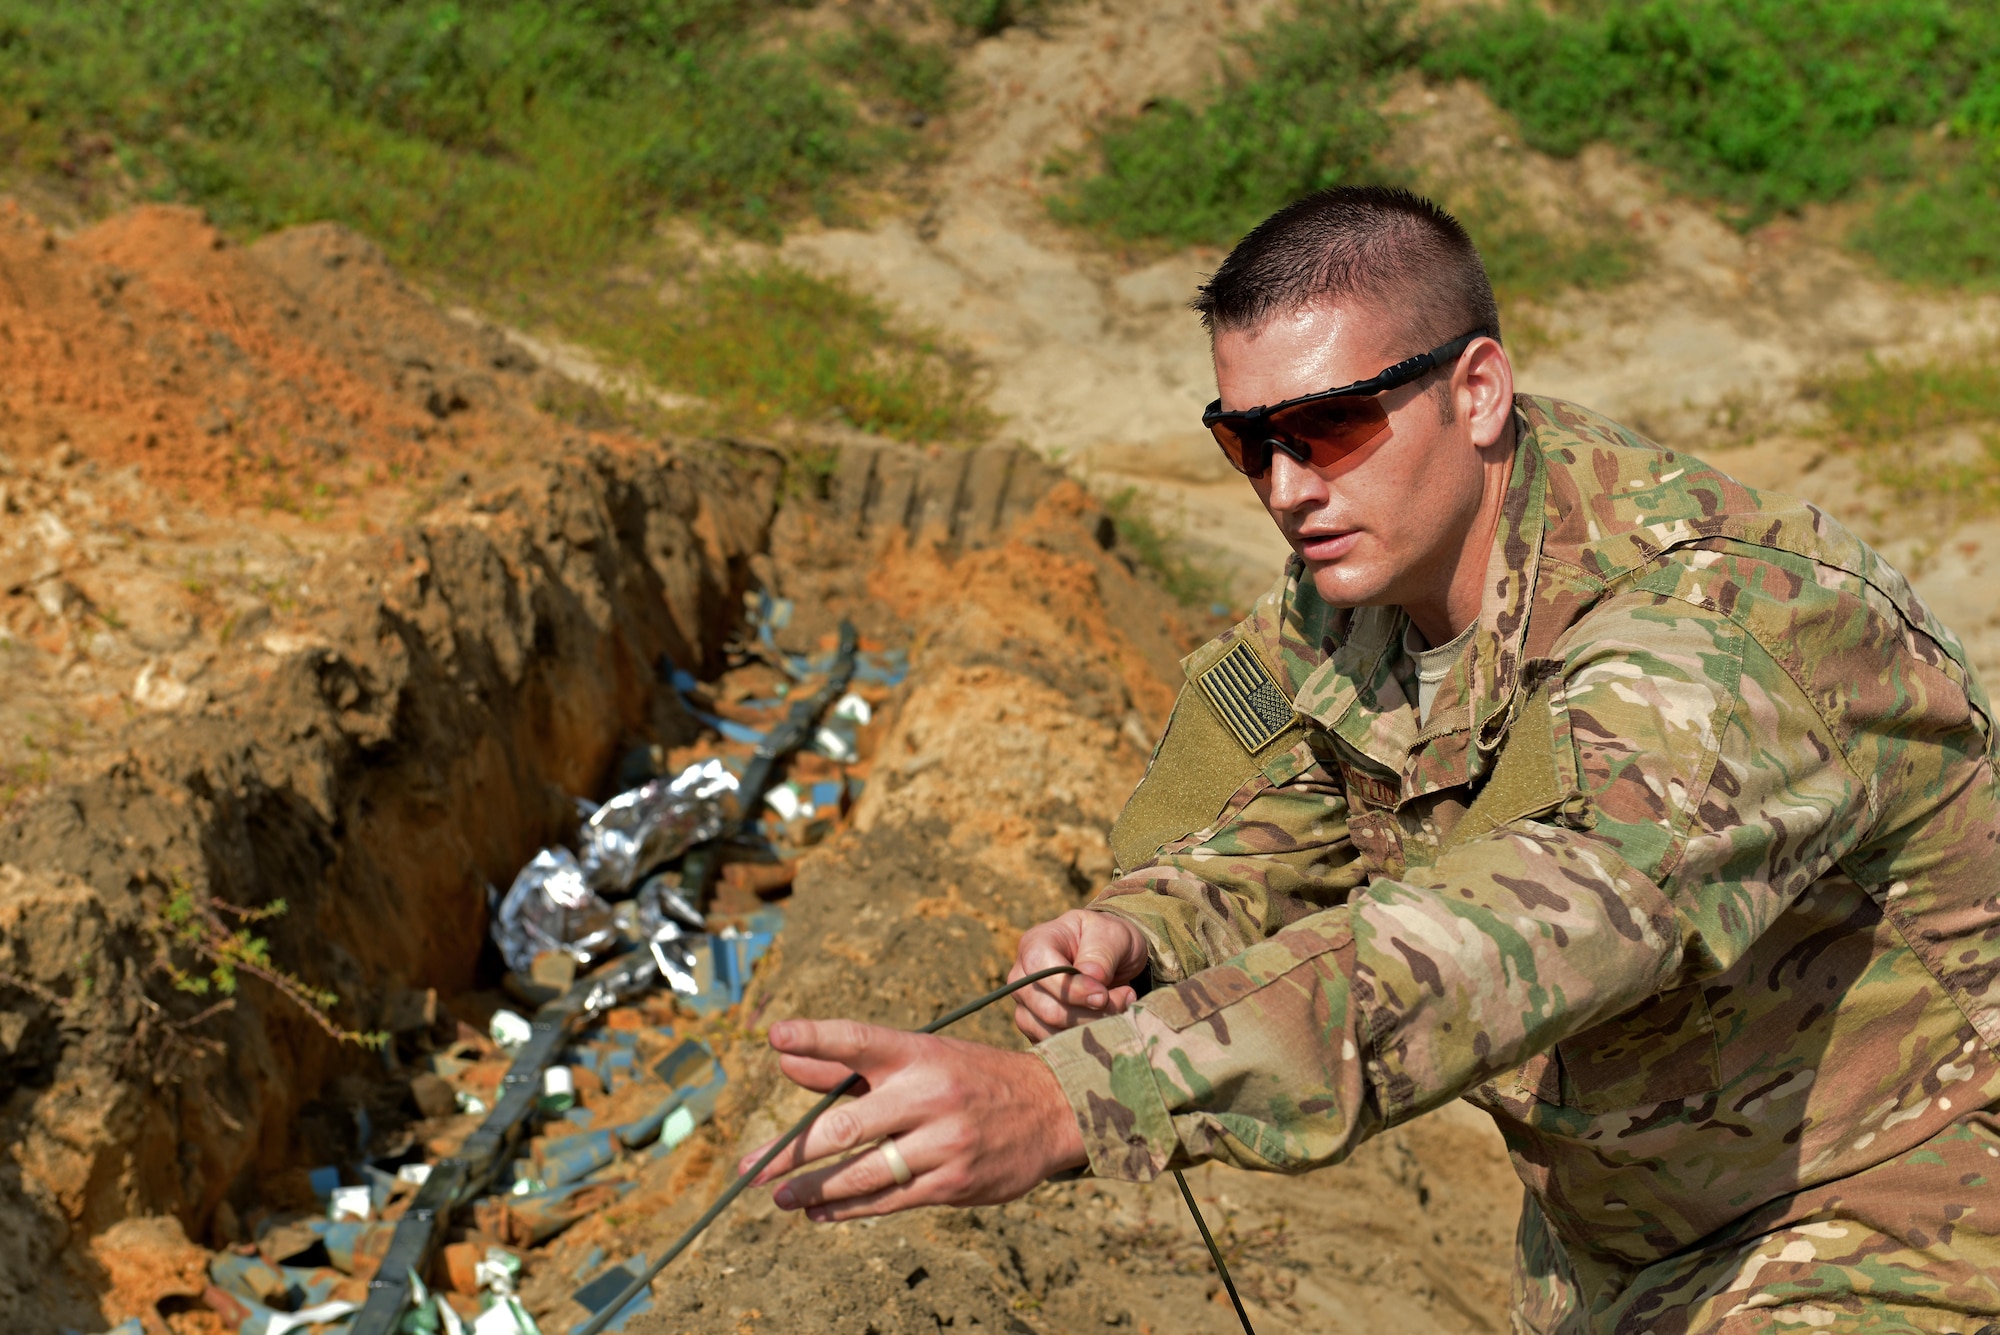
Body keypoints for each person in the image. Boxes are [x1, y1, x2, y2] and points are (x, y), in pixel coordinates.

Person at [736, 186, 2000, 1334]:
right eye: (1248, 443)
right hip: (1621, 1246)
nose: (1288, 487)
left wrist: (1083, 1094)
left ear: (1478, 391)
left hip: (1897, 1215)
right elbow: (1271, 829)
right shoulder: (1348, 606)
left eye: (1330, 428)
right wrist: (1137, 936)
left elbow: (1543, 915)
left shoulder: (1722, 626)